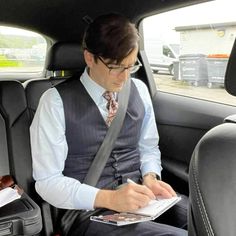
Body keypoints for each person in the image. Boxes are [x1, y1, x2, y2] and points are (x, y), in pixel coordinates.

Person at [30, 13, 187, 236]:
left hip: (143, 197)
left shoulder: (139, 90)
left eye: (130, 67)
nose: (124, 78)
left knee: (210, 220)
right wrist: (110, 198)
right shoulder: (54, 102)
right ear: (90, 58)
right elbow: (47, 181)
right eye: (115, 67)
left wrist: (151, 177)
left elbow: (148, 147)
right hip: (89, 212)